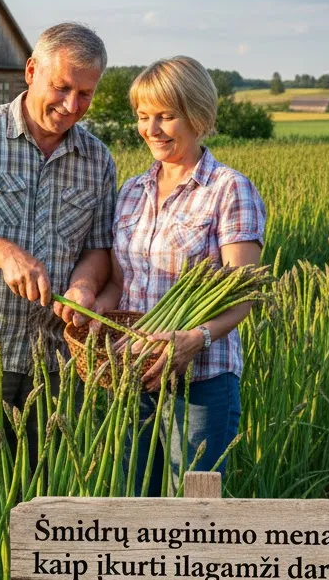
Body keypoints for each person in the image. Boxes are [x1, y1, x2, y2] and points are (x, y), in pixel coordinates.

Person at [94, 56, 266, 492]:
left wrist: (195, 338)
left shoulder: (229, 189)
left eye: (166, 116)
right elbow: (118, 282)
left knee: (191, 505)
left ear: (197, 116)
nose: (151, 129)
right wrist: (95, 314)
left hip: (201, 382)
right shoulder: (132, 191)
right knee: (135, 498)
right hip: (134, 373)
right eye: (143, 116)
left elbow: (243, 292)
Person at [0, 22, 116, 410]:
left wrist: (84, 286)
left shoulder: (98, 159)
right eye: (61, 87)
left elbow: (97, 249)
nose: (71, 105)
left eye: (85, 94)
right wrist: (6, 254)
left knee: (49, 454)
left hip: (56, 356)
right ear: (31, 71)